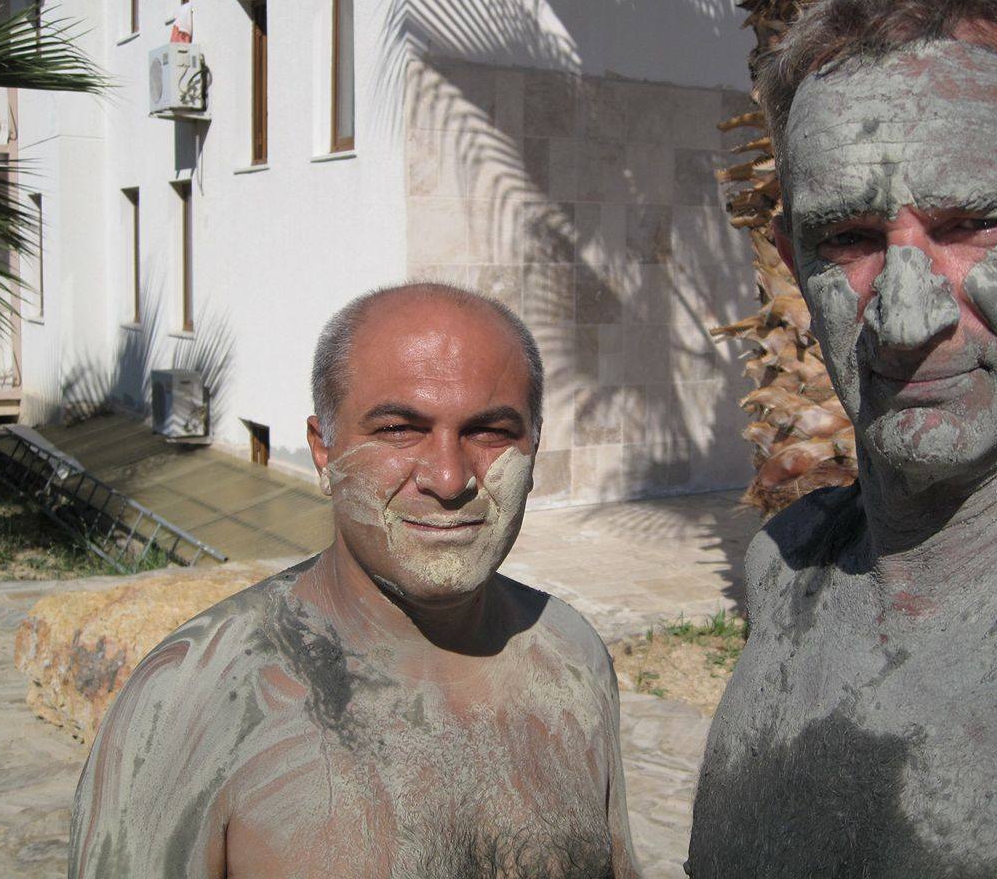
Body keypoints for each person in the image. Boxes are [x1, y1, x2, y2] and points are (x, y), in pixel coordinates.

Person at [689, 0, 997, 878]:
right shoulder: (788, 571)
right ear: (793, 262)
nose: (906, 318)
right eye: (852, 239)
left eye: (975, 226)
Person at [69, 282, 639, 879]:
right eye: (398, 429)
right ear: (323, 449)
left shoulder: (571, 658)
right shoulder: (194, 699)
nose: (449, 479)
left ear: (534, 448)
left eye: (489, 432)